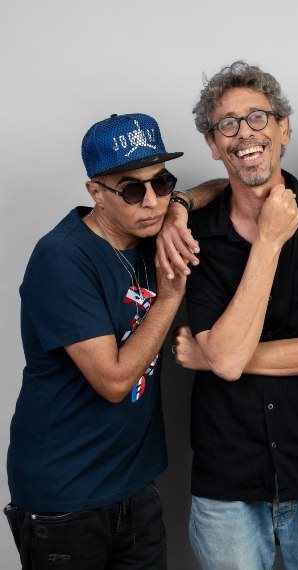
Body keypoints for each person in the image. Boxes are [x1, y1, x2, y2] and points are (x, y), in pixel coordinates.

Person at [167, 61, 298, 569]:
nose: (244, 134)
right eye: (227, 124)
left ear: (284, 128)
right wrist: (270, 242)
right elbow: (228, 357)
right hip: (227, 480)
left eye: (258, 117)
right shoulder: (194, 235)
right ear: (213, 145)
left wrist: (215, 358)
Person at [4, 112, 219, 569]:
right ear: (96, 193)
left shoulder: (152, 230)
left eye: (161, 182)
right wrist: (170, 297)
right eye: (131, 189)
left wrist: (179, 206)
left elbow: (221, 186)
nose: (151, 202)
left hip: (134, 483)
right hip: (66, 495)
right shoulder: (62, 258)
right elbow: (115, 382)